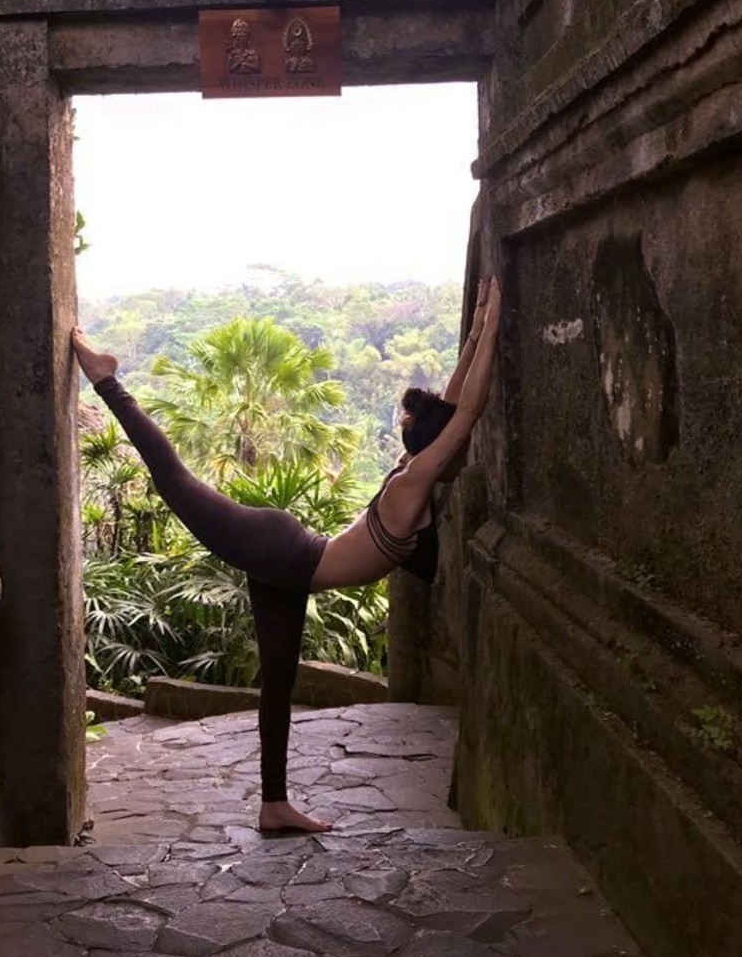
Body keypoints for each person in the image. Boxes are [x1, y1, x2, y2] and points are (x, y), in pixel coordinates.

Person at [72, 278, 501, 833]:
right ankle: (106, 379)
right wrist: (493, 322)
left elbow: (451, 407)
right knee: (175, 481)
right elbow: (467, 412)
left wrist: (477, 327)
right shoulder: (412, 482)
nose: (459, 451)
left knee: (278, 681)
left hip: (290, 568)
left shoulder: (410, 468)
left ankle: (273, 805)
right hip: (281, 552)